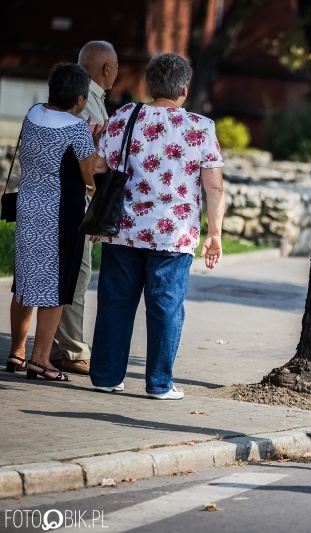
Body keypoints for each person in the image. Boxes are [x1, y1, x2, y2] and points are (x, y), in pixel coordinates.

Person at [88, 53, 225, 400]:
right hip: (173, 235)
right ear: (184, 87)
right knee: (165, 307)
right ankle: (159, 384)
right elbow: (214, 186)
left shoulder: (123, 116)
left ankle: (106, 376)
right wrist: (215, 234)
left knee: (115, 302)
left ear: (149, 85)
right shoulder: (200, 127)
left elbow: (99, 167)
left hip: (124, 226)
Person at [6, 63, 103, 381]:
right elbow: (88, 169)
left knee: (25, 284)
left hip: (29, 207)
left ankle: (17, 352)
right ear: (79, 98)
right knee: (57, 287)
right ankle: (41, 359)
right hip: (61, 214)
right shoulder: (75, 129)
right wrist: (94, 143)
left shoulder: (32, 113)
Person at [49, 41, 117, 376]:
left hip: (53, 195)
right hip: (75, 198)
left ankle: (50, 346)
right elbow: (85, 157)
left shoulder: (83, 94)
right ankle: (71, 350)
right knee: (77, 272)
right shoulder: (87, 99)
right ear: (107, 69)